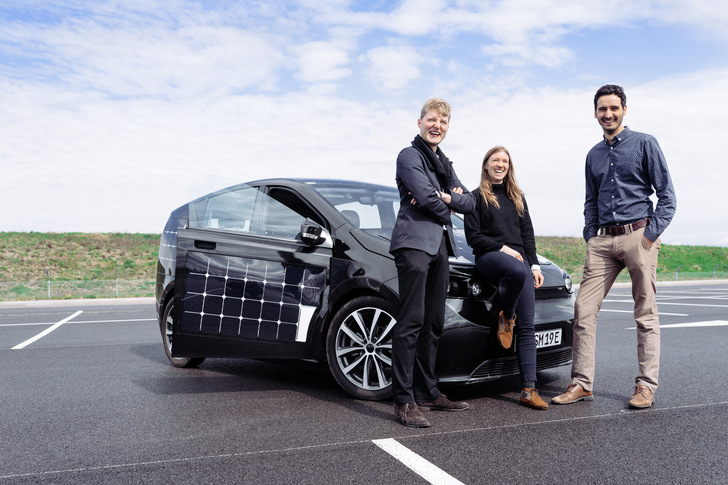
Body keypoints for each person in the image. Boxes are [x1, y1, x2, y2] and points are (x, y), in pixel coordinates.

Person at [552, 84, 676, 409]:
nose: (608, 114)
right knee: (583, 310)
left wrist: (650, 235)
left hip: (639, 235)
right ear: (595, 112)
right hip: (602, 240)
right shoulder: (593, 154)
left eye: (614, 108)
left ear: (624, 110)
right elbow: (590, 201)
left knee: (645, 313)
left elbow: (667, 196)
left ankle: (646, 387)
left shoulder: (645, 143)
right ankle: (581, 383)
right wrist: (591, 235)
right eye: (602, 109)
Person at [389, 97, 476, 427]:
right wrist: (446, 205)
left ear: (447, 127)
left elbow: (469, 201)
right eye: (431, 119)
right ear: (420, 122)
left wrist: (447, 198)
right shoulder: (408, 156)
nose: (436, 125)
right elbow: (424, 197)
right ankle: (403, 400)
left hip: (440, 247)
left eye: (443, 121)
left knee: (433, 323)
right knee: (411, 321)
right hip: (413, 243)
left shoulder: (445, 164)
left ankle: (427, 392)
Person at [463, 146, 548, 410]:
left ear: (509, 167)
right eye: (495, 160)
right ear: (486, 165)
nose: (501, 164)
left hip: (521, 262)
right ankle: (507, 315)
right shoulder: (475, 197)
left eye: (505, 161)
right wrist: (503, 248)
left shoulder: (517, 197)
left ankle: (528, 389)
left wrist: (535, 265)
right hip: (489, 256)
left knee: (528, 327)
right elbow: (473, 238)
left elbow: (528, 235)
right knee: (514, 269)